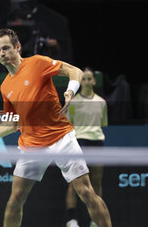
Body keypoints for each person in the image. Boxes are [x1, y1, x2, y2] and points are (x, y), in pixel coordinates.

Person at [0, 28, 112, 227]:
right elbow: (14, 124)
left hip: (61, 138)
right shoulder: (5, 87)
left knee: (86, 192)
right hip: (31, 146)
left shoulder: (37, 63)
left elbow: (75, 71)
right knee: (15, 201)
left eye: (6, 48)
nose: (2, 53)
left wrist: (70, 91)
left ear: (17, 47)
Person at [65, 67, 108, 227]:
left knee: (96, 181)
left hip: (96, 142)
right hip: (79, 142)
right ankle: (71, 220)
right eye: (84, 79)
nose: (87, 81)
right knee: (74, 183)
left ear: (94, 81)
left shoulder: (102, 102)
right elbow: (69, 123)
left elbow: (102, 124)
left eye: (89, 79)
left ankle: (95, 221)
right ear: (80, 81)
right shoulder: (74, 101)